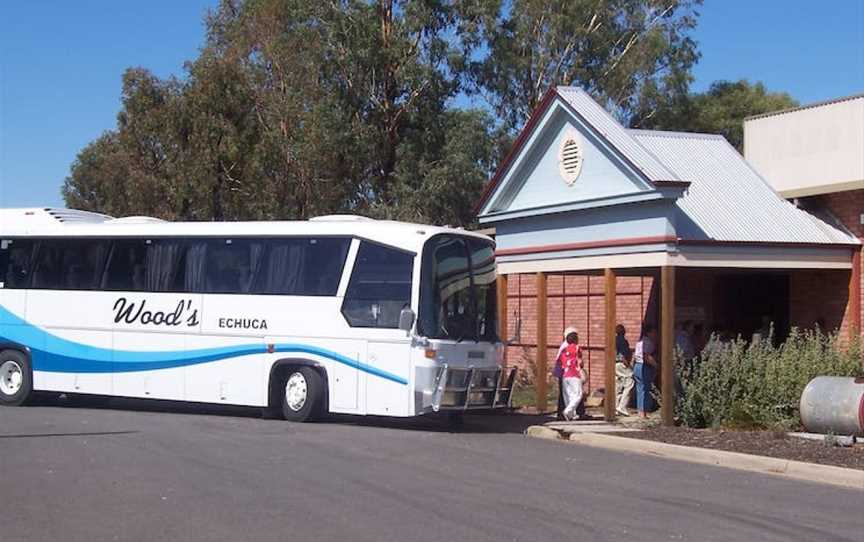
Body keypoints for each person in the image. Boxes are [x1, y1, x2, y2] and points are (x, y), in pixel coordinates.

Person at [633, 323, 658, 418]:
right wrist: (656, 365)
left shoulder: (640, 341)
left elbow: (636, 355)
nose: (655, 334)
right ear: (649, 332)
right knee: (646, 389)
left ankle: (640, 410)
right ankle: (644, 411)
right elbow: (646, 355)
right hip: (644, 366)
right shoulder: (647, 342)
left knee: (640, 389)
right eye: (654, 332)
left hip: (637, 366)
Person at [558, 329, 584, 420]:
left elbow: (559, 361)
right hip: (574, 373)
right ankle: (568, 411)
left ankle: (571, 414)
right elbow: (580, 362)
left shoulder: (563, 349)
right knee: (578, 394)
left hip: (565, 374)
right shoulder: (577, 348)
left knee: (569, 395)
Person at [614, 324, 634, 417]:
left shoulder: (613, 340)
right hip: (621, 364)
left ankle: (616, 406)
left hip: (614, 364)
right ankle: (622, 406)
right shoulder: (622, 341)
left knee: (619, 386)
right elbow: (622, 354)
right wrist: (628, 365)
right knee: (630, 382)